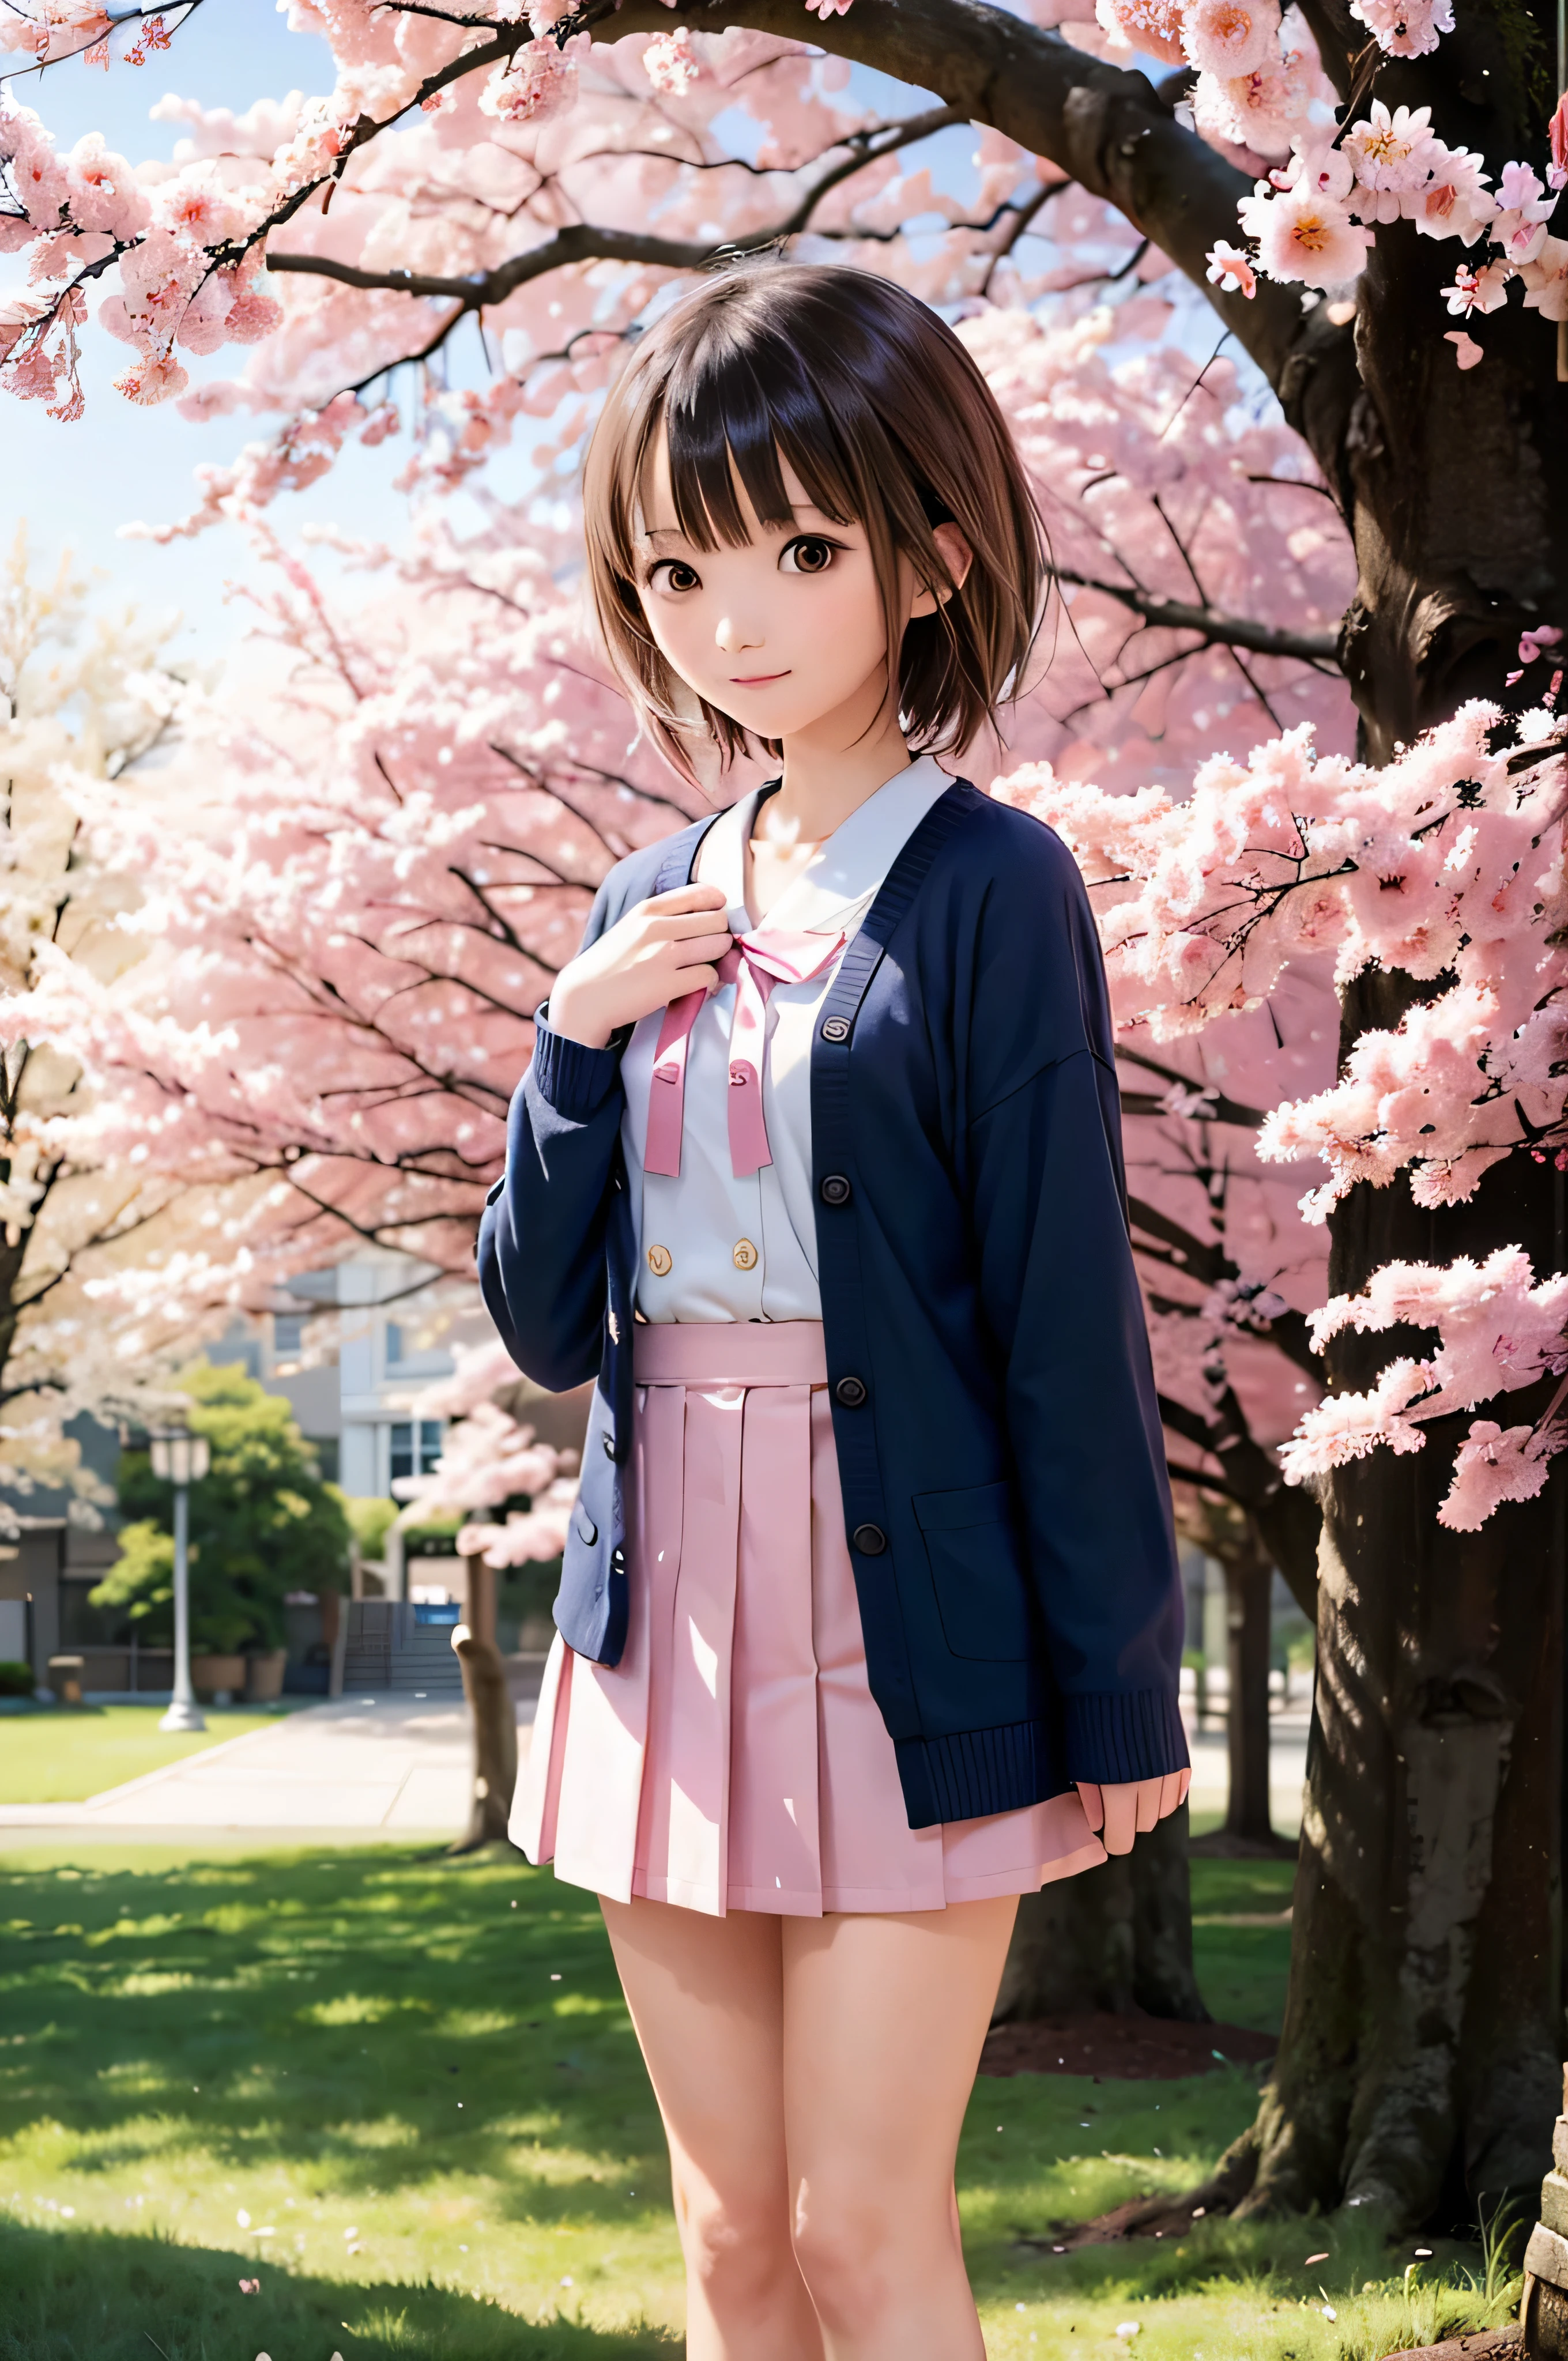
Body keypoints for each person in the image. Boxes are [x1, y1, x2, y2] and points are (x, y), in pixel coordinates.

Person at [478, 262, 1190, 2361]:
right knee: (729, 2247)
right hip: (666, 1598)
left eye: (803, 549)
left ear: (931, 553)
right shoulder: (641, 903)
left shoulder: (993, 885)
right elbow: (538, 1318)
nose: (740, 621)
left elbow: (1067, 1315)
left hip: (915, 1605)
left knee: (865, 2231)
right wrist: (567, 1043)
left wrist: (1122, 1679)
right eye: (686, 565)